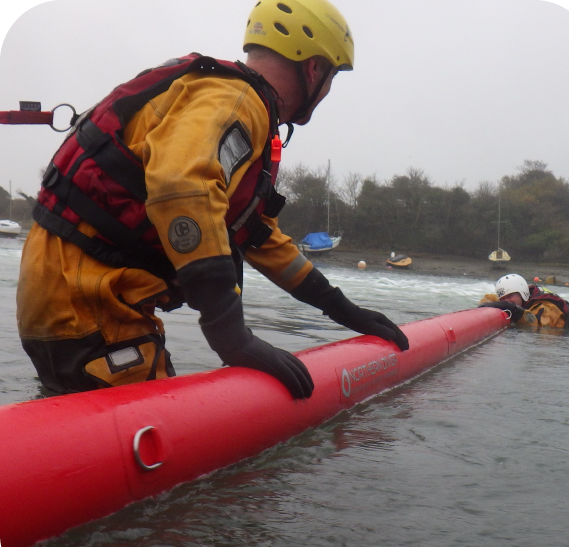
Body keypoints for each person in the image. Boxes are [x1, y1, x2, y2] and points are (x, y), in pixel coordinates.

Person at [16, 0, 409, 399]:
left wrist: (341, 309)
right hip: (91, 300)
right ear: (314, 68)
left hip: (63, 290)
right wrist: (230, 334)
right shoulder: (240, 101)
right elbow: (180, 187)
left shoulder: (219, 96)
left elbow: (257, 235)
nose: (326, 91)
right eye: (330, 77)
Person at [478, 273, 569, 329]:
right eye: (503, 298)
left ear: (522, 293)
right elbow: (492, 297)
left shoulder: (546, 307)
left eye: (510, 296)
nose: (507, 301)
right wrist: (487, 304)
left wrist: (514, 310)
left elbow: (536, 324)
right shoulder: (524, 296)